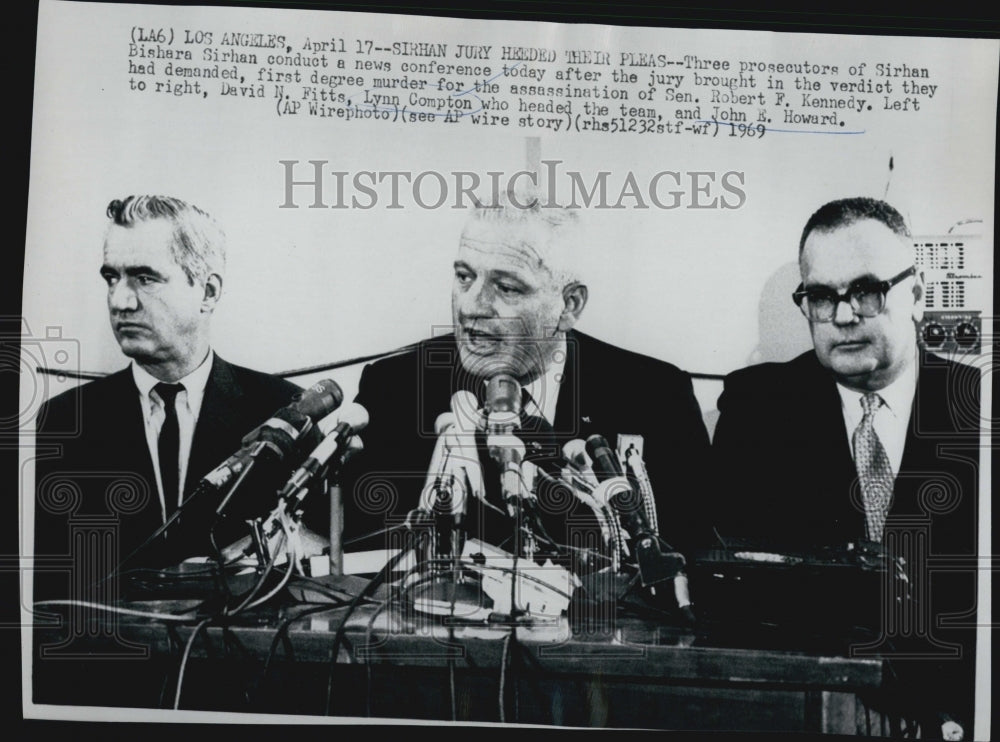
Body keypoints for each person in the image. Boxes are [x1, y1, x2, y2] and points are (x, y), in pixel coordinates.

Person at [711, 197, 980, 739]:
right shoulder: (755, 410)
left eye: (866, 291)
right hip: (806, 712)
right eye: (820, 297)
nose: (842, 315)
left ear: (918, 297)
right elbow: (739, 596)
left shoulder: (981, 409)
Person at [338, 191, 712, 570]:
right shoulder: (395, 386)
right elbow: (356, 550)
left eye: (507, 287)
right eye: (464, 277)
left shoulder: (656, 397)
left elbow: (690, 556)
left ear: (569, 305)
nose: (471, 305)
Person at [33, 195, 303, 599]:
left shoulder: (282, 411)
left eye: (145, 278)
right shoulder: (63, 422)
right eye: (111, 278)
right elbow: (47, 588)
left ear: (207, 292)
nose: (120, 301)